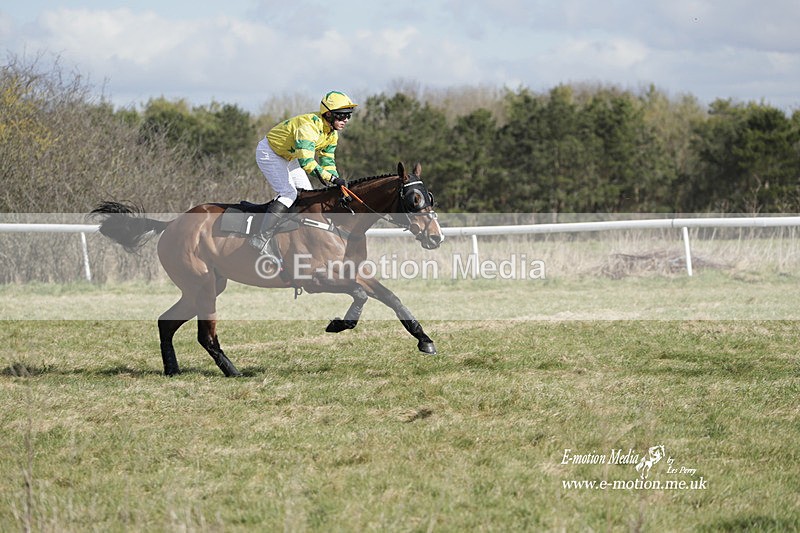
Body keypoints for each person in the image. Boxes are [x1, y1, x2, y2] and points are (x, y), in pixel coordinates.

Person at [249, 91, 357, 253]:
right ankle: (261, 237)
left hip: (289, 157)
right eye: (342, 116)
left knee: (308, 195)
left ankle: (294, 236)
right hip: (270, 153)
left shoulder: (331, 134)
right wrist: (333, 179)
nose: (346, 120)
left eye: (348, 115)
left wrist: (336, 179)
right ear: (328, 114)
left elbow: (327, 160)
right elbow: (307, 163)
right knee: (288, 193)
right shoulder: (309, 127)